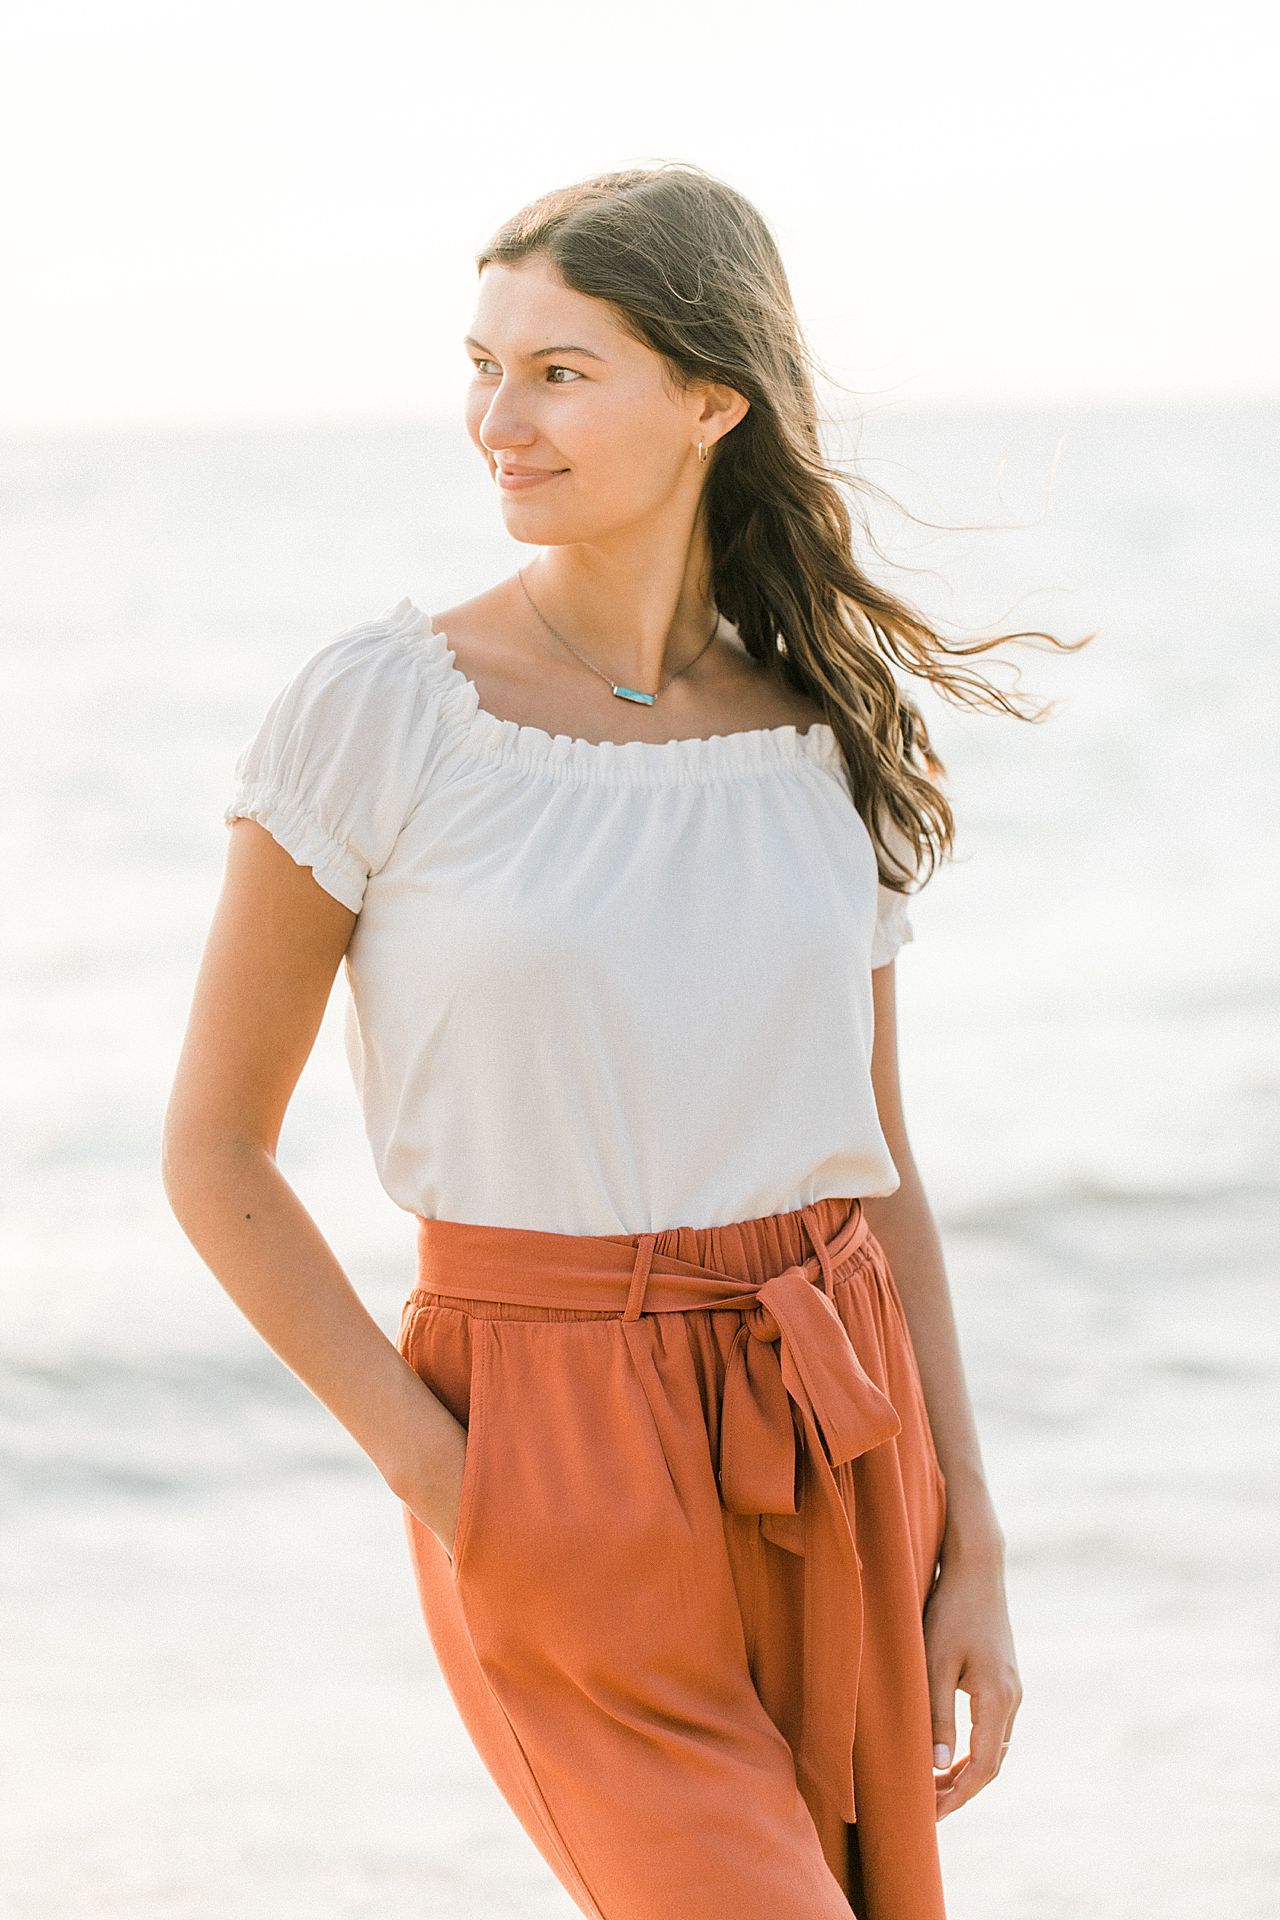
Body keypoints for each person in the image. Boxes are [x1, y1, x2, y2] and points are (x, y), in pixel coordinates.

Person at [164, 162, 1087, 1919]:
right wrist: (459, 1485)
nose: (496, 420)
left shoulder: (821, 732)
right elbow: (213, 1154)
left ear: (713, 398)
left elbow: (875, 1159)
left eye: (561, 372)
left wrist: (975, 1543)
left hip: (838, 1408)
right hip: (545, 1428)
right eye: (483, 364)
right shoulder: (385, 708)